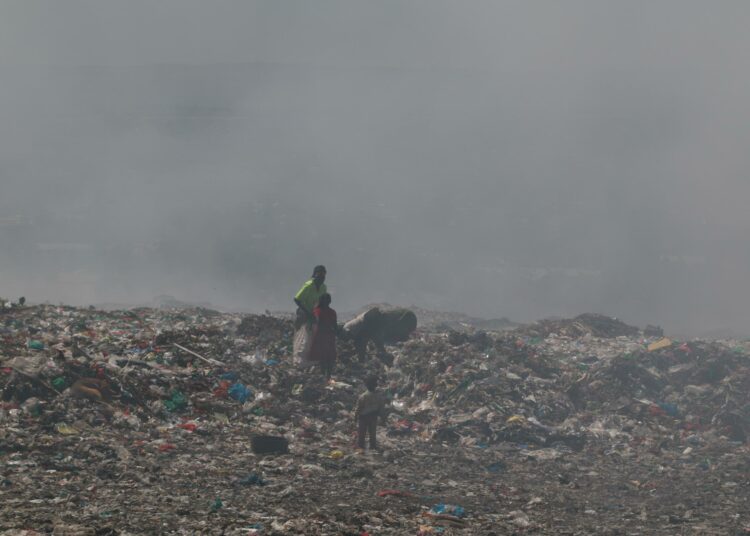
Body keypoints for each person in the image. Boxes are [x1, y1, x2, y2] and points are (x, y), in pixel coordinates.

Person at [343, 307, 417, 365]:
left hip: (357, 331)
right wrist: (383, 352)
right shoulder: (377, 319)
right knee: (360, 348)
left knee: (360, 350)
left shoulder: (385, 318)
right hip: (352, 332)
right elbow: (375, 337)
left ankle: (355, 360)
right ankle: (357, 361)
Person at [292, 266, 327, 362]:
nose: (322, 277)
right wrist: (307, 313)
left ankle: (309, 356)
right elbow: (297, 299)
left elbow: (323, 301)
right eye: (320, 275)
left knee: (311, 335)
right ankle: (297, 357)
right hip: (304, 312)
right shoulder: (308, 285)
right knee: (299, 335)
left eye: (323, 275)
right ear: (315, 275)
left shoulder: (323, 287)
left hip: (314, 313)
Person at [354, 375, 387, 451]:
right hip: (373, 416)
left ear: (367, 386)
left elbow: (358, 408)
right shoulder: (379, 396)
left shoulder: (363, 396)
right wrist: (383, 418)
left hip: (363, 417)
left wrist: (355, 417)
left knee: (362, 433)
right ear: (375, 386)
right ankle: (373, 446)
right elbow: (381, 408)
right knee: (372, 433)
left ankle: (361, 446)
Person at [309, 293, 337, 378]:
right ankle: (326, 375)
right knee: (326, 357)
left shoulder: (317, 311)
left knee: (325, 357)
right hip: (324, 336)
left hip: (322, 336)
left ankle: (326, 376)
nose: (327, 302)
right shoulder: (319, 311)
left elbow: (314, 323)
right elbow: (334, 325)